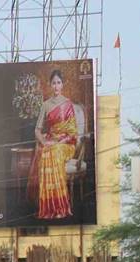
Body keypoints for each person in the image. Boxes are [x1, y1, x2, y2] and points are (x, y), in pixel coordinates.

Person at [28, 69, 85, 220]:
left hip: (66, 144)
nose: (56, 86)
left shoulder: (68, 104)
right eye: (53, 83)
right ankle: (48, 208)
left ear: (62, 84)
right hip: (51, 142)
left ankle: (60, 206)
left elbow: (73, 133)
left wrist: (59, 141)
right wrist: (44, 142)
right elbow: (37, 130)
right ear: (50, 85)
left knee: (53, 151)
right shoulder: (45, 105)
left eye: (58, 82)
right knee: (47, 151)